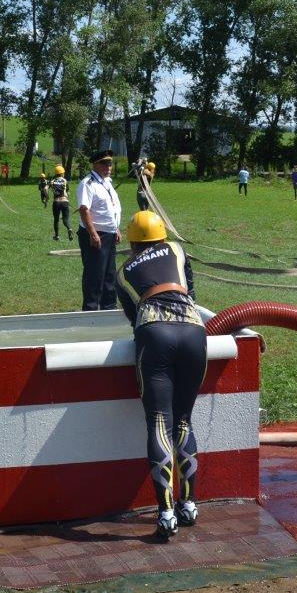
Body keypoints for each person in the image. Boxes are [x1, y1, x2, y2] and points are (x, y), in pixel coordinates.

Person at [114, 210, 204, 540]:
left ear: (132, 243)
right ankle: (189, 504)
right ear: (162, 235)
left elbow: (133, 315)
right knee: (184, 420)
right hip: (193, 331)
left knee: (158, 422)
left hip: (155, 333)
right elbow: (191, 292)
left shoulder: (123, 272)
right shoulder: (178, 250)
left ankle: (166, 513)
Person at [77, 150, 122, 311]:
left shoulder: (106, 182)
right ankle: (90, 310)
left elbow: (111, 207)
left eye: (110, 163)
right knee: (95, 274)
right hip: (96, 234)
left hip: (109, 233)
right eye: (104, 163)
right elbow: (84, 209)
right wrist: (93, 234)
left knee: (110, 274)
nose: (108, 166)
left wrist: (115, 228)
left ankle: (109, 307)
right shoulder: (88, 184)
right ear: (95, 165)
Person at [50, 165, 73, 241]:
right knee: (65, 220)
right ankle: (69, 229)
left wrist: (46, 197)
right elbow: (68, 192)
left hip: (56, 202)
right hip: (64, 201)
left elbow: (45, 188)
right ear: (62, 173)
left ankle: (57, 236)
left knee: (56, 220)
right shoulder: (65, 181)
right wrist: (67, 196)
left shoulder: (52, 181)